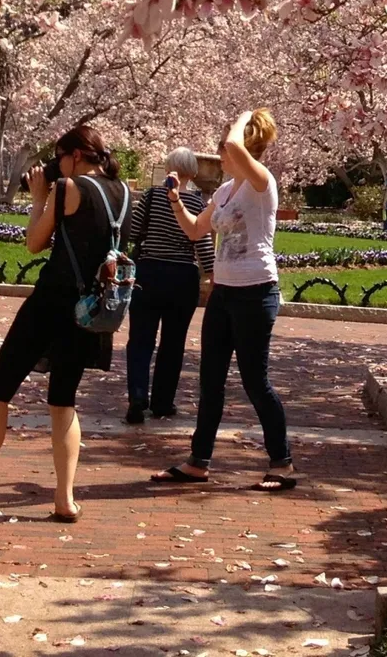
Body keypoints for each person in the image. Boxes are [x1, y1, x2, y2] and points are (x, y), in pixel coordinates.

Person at [0, 126, 129, 523]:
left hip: (50, 303)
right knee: (63, 400)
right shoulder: (122, 192)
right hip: (89, 310)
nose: (56, 165)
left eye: (59, 156)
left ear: (75, 155)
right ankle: (65, 499)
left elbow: (35, 242)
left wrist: (39, 199)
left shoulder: (68, 188)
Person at [151, 109, 298, 492]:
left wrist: (245, 114)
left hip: (256, 292)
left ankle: (282, 463)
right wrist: (175, 201)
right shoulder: (225, 190)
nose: (220, 152)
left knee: (255, 382)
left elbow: (234, 142)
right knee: (210, 381)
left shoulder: (261, 181)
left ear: (241, 148)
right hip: (223, 293)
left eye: (224, 146)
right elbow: (196, 230)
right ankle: (198, 462)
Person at [124, 147, 215, 425]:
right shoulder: (198, 202)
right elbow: (202, 242)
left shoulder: (152, 196)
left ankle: (137, 396)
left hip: (149, 272)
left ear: (168, 168)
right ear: (193, 172)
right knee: (173, 343)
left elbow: (133, 230)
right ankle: (163, 402)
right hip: (182, 276)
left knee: (140, 339)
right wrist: (211, 274)